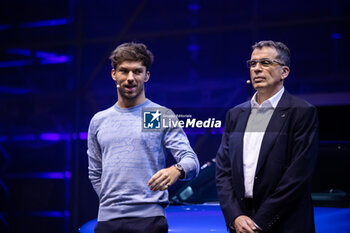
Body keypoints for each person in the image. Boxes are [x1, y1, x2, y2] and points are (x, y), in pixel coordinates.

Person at [87, 42, 199, 233]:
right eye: (124, 71)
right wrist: (114, 203)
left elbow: (192, 161)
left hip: (149, 221)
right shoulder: (99, 120)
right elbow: (95, 173)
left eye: (137, 71)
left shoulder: (156, 115)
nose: (130, 78)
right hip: (107, 221)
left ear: (146, 76)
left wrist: (176, 169)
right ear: (114, 74)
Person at [216, 40, 318, 233]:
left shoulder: (302, 112)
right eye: (253, 64)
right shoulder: (235, 114)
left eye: (265, 63)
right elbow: (223, 171)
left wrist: (258, 222)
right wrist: (235, 216)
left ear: (284, 72)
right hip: (240, 223)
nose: (256, 69)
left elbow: (298, 175)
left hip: (285, 222)